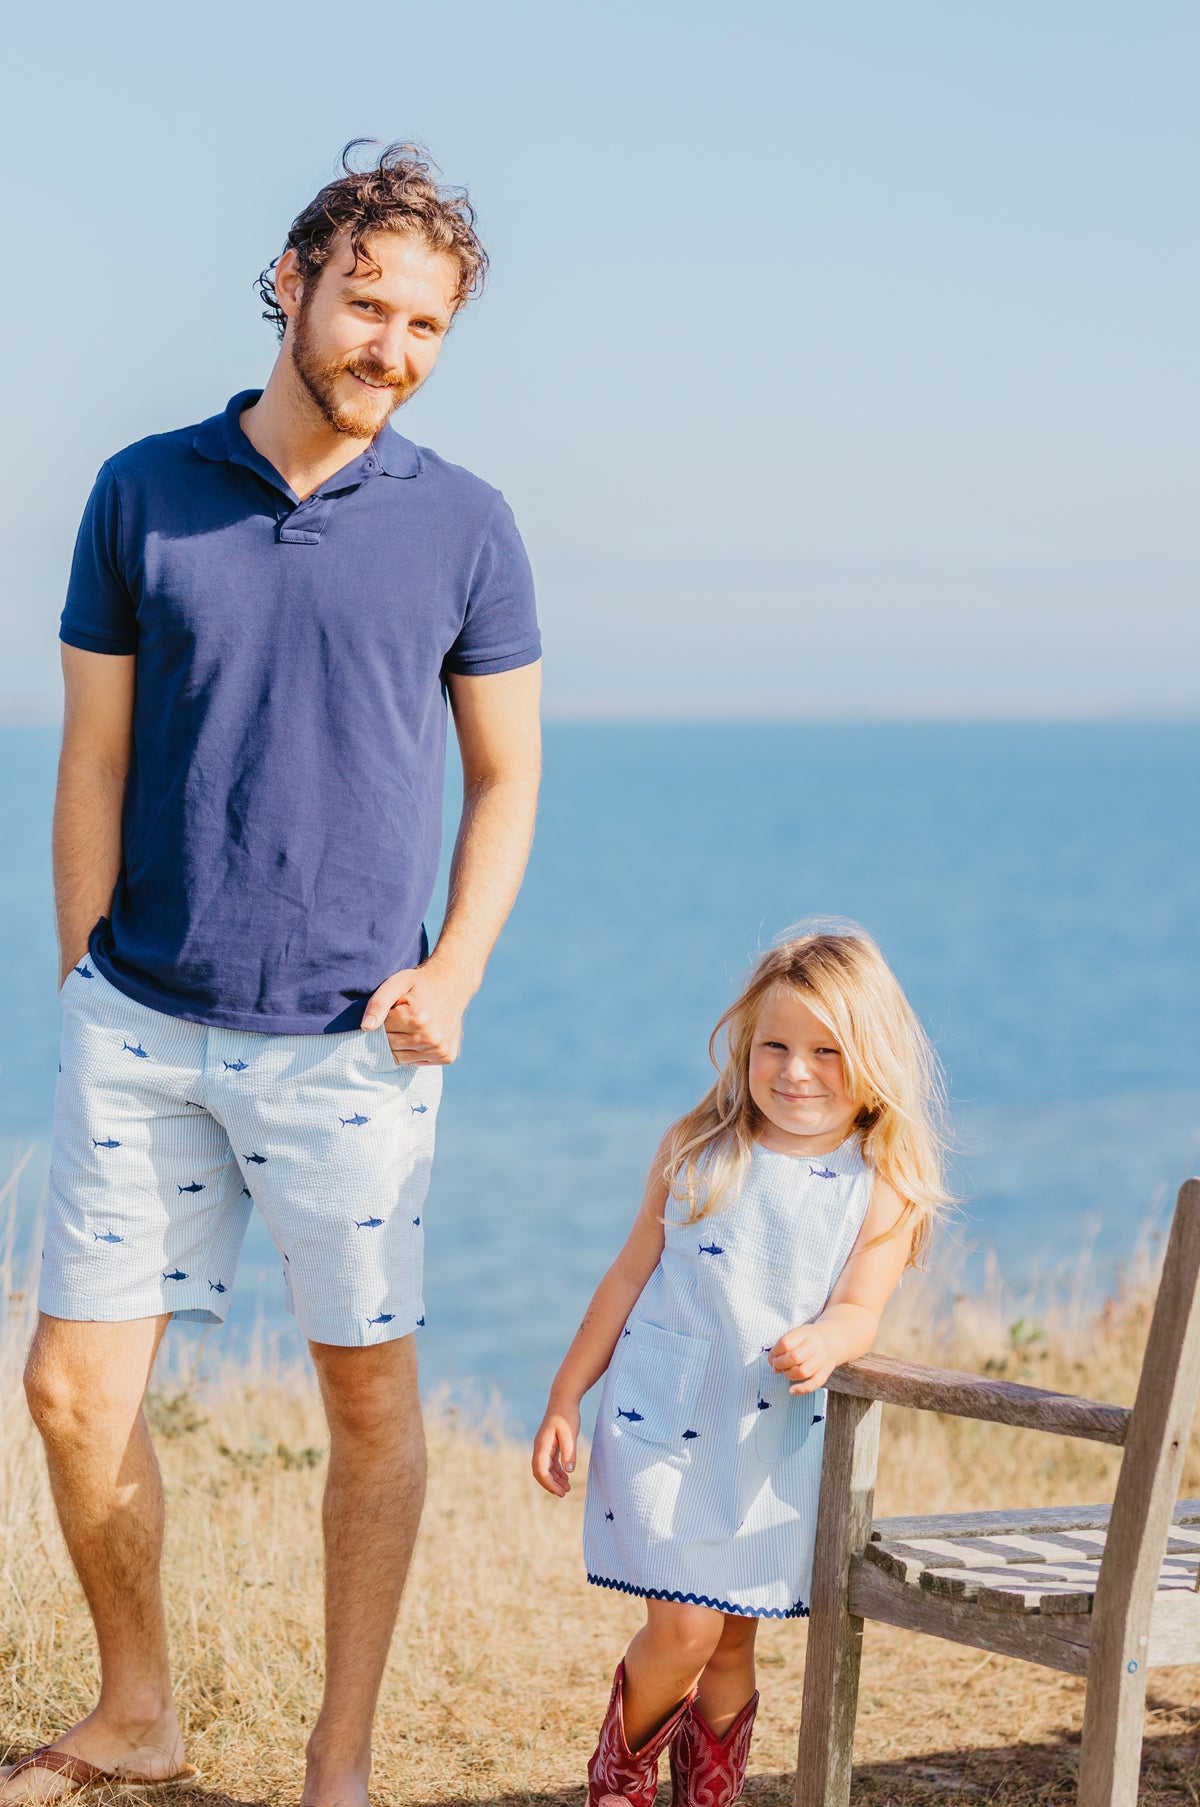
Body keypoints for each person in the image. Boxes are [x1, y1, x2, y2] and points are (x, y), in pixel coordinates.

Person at [7, 143, 541, 1807]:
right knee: (68, 1391)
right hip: (141, 1020)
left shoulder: (467, 525)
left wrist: (455, 968)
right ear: (294, 283)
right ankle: (139, 1709)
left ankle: (341, 1757)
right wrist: (85, 971)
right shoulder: (140, 490)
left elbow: (507, 777)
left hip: (350, 1048)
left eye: (428, 325)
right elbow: (92, 756)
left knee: (367, 1406)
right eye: (369, 306)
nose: (395, 347)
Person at [531, 924, 948, 1807]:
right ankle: (619, 1781)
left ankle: (708, 1795)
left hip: (768, 1439)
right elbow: (628, 1274)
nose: (796, 1071)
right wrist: (567, 1393)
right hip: (661, 1418)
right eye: (775, 1046)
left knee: (730, 1641)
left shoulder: (883, 1182)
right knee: (685, 1628)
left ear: (873, 1056)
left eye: (826, 1051)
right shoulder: (697, 1147)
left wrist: (830, 1337)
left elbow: (861, 1307)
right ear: (745, 1044)